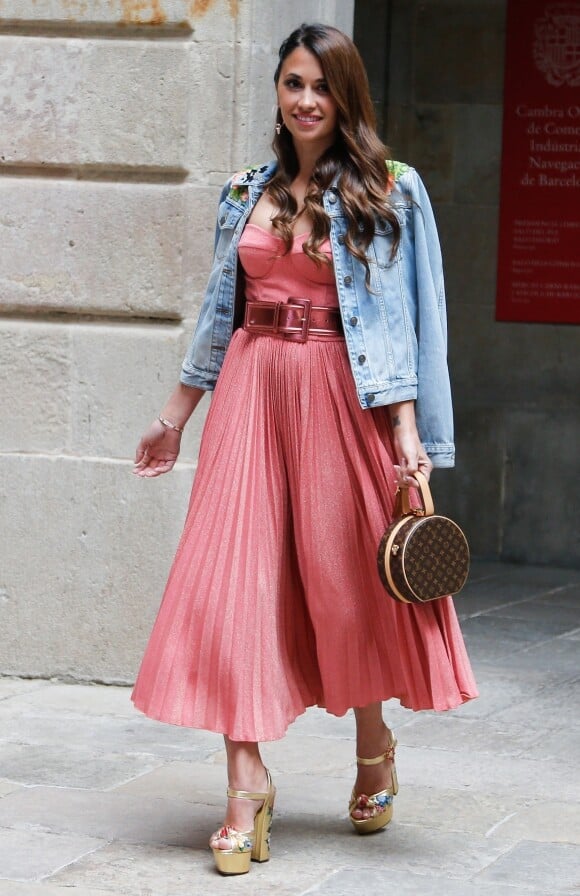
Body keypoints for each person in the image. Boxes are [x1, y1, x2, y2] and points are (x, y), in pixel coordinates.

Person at [131, 22, 478, 876]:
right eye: (293, 82)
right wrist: (174, 417)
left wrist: (410, 440)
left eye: (322, 84)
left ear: (346, 94)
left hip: (340, 400)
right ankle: (245, 788)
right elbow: (220, 312)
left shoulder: (388, 189)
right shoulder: (244, 191)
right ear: (278, 94)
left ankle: (373, 742)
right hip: (252, 395)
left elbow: (403, 326)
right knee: (235, 588)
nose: (306, 99)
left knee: (346, 583)